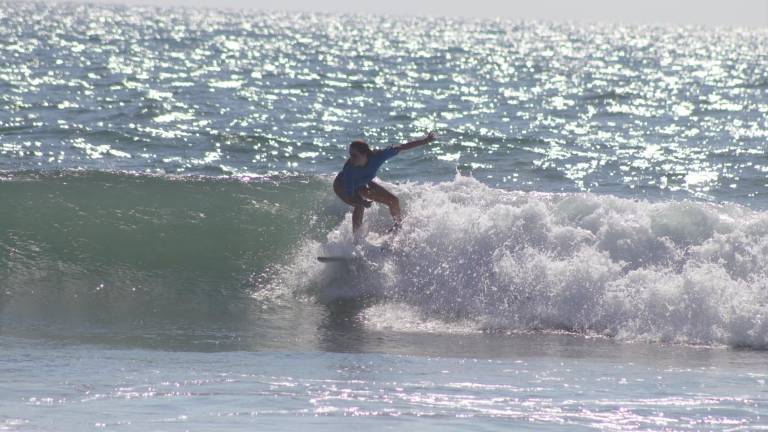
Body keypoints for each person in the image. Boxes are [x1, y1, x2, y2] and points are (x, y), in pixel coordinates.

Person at [334, 132, 436, 236]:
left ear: (365, 154)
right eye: (350, 154)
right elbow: (351, 197)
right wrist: (363, 202)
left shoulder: (378, 157)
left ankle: (398, 228)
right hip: (341, 186)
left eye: (354, 155)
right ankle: (356, 240)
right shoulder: (349, 170)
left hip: (362, 182)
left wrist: (425, 140)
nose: (351, 158)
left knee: (393, 200)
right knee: (359, 205)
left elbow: (402, 147)